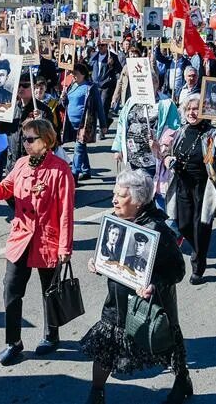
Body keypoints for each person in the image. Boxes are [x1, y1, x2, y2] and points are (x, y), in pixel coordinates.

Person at [80, 169, 189, 404]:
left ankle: (182, 381)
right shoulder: (118, 221)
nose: (114, 200)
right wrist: (98, 263)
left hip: (150, 305)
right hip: (116, 303)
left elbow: (178, 270)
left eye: (121, 196)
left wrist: (153, 284)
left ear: (138, 200)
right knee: (105, 347)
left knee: (165, 346)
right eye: (114, 194)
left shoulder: (157, 229)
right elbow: (112, 257)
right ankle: (96, 393)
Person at [0, 119, 75, 365]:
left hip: (47, 240)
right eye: (24, 139)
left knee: (49, 292)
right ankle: (14, 342)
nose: (26, 143)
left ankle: (51, 335)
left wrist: (65, 247)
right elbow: (3, 192)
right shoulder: (21, 164)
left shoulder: (60, 169)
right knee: (11, 289)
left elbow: (66, 212)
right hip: (21, 238)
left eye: (31, 139)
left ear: (47, 140)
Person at [159, 94, 216, 284]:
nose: (192, 112)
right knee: (182, 225)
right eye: (189, 109)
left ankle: (198, 266)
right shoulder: (181, 131)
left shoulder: (211, 133)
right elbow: (168, 152)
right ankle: (199, 250)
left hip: (203, 186)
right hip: (182, 183)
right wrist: (166, 158)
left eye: (196, 109)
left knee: (201, 227)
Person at [61, 62, 106, 181]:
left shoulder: (91, 87)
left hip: (84, 123)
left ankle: (74, 175)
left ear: (83, 74)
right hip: (71, 123)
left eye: (75, 73)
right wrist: (63, 98)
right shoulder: (71, 86)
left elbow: (99, 106)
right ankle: (86, 170)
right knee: (81, 147)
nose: (73, 75)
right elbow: (65, 104)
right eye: (72, 73)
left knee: (78, 148)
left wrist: (103, 125)